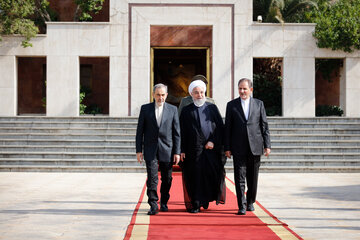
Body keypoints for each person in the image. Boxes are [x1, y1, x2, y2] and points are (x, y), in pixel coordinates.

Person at [224, 78, 271, 215]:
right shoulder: (231, 105)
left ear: (251, 90)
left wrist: (267, 145)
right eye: (240, 88)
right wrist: (227, 147)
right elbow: (228, 128)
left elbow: (264, 125)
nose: (242, 91)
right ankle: (241, 205)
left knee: (253, 178)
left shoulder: (259, 104)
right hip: (238, 147)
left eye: (245, 88)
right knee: (239, 177)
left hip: (255, 146)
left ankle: (250, 201)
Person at [180, 80, 226, 213]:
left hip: (211, 150)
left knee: (209, 175)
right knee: (195, 176)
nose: (199, 95)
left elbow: (219, 128)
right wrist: (181, 149)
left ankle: (205, 200)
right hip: (193, 150)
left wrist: (213, 141)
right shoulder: (186, 111)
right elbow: (181, 131)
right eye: (196, 93)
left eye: (201, 92)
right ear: (191, 94)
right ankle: (195, 203)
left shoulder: (212, 108)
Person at [136, 83, 181, 215]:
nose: (160, 98)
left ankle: (164, 202)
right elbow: (140, 131)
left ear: (166, 95)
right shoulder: (145, 109)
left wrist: (177, 152)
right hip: (150, 149)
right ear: (153, 95)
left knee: (167, 178)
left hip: (167, 149)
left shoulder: (173, 110)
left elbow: (177, 132)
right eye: (158, 95)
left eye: (163, 95)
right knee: (152, 178)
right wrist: (139, 150)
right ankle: (153, 204)